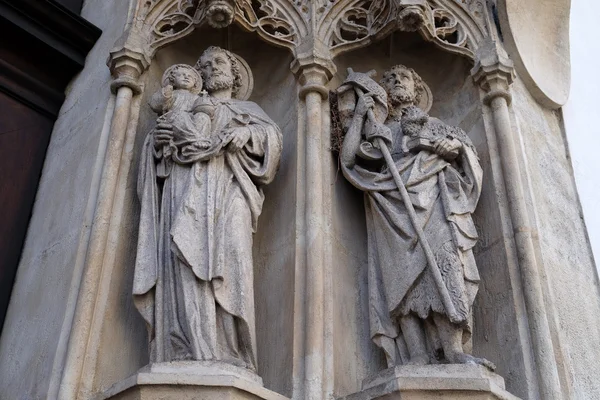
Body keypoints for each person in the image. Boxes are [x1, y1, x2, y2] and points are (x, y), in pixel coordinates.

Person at [134, 46, 282, 371]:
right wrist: (158, 145)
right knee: (182, 255)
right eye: (204, 65)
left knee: (233, 259)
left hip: (230, 191)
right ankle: (187, 347)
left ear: (234, 72)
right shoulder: (186, 108)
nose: (212, 67)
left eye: (219, 62)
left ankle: (232, 353)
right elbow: (160, 150)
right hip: (185, 188)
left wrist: (246, 132)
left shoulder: (249, 109)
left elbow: (273, 139)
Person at [340, 65, 493, 369]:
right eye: (390, 77)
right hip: (393, 209)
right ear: (383, 91)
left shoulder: (435, 125)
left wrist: (456, 147)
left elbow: (468, 159)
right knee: (400, 280)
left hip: (435, 204)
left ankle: (452, 350)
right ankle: (415, 353)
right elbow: (348, 158)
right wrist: (359, 116)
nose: (397, 81)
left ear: (416, 88)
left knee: (445, 267)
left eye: (404, 77)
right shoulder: (380, 132)